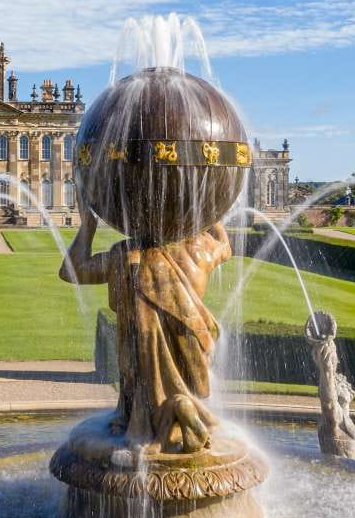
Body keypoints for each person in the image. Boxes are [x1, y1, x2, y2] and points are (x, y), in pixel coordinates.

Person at [60, 190, 230, 454]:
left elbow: (72, 270)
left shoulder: (125, 256)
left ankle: (161, 412)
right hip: (194, 351)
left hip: (142, 363)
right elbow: (225, 246)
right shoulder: (201, 249)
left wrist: (88, 226)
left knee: (141, 388)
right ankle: (183, 405)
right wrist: (209, 212)